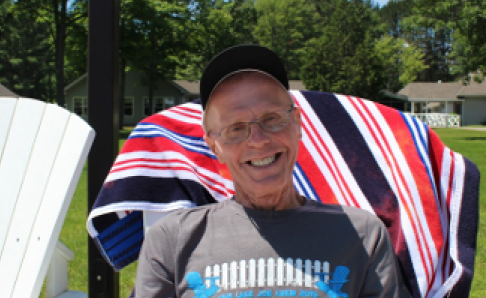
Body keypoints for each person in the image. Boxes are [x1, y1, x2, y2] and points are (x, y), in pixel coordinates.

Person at [135, 44, 412, 298]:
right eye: (236, 128)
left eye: (272, 119)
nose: (258, 140)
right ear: (214, 145)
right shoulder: (172, 241)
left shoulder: (362, 236)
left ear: (297, 124)